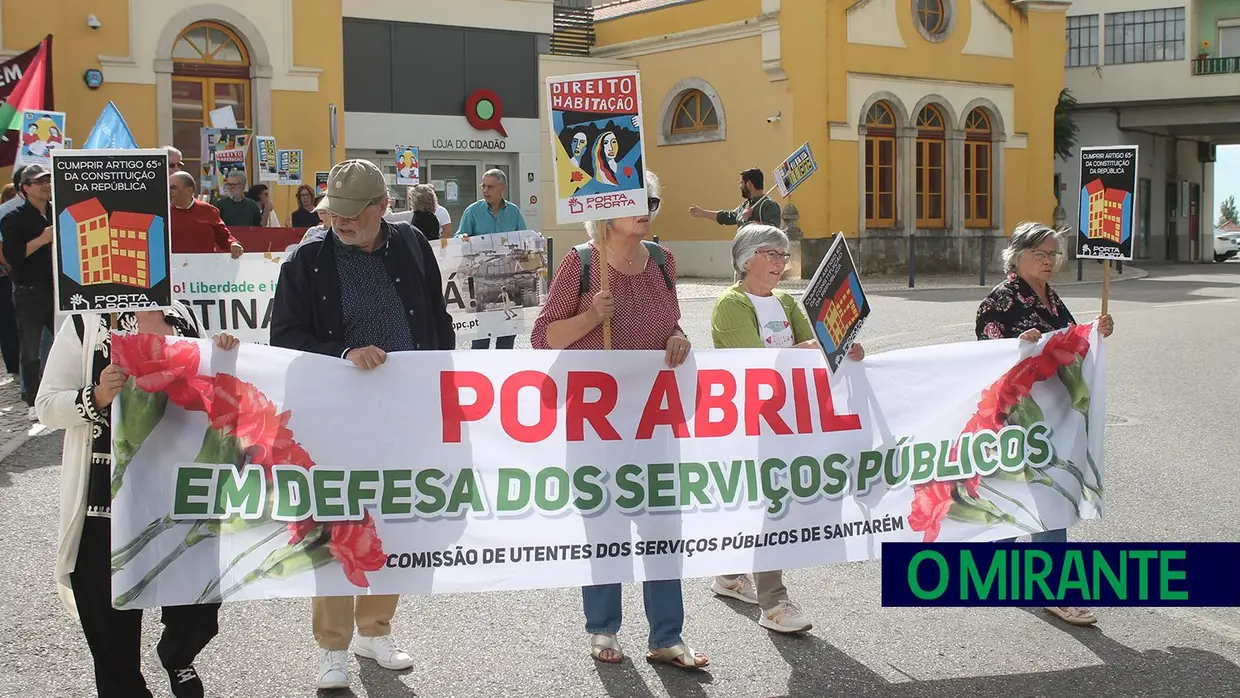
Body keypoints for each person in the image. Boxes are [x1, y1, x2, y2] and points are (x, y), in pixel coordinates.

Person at [270, 159, 454, 690]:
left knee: (391, 521)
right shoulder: (306, 261)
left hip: (404, 411)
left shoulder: (415, 247)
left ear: (383, 208)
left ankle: (375, 629)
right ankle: (332, 647)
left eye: (353, 214)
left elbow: (437, 321)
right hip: (336, 417)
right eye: (334, 213)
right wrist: (345, 351)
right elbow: (283, 338)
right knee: (339, 526)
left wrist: (443, 383)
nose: (341, 223)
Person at [531, 171, 708, 670]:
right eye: (637, 200)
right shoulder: (581, 264)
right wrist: (590, 318)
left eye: (652, 199)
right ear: (607, 209)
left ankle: (667, 635)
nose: (647, 207)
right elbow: (543, 338)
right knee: (604, 526)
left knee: (661, 526)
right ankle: (603, 629)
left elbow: (667, 320)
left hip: (652, 423)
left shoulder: (663, 261)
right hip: (597, 424)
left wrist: (677, 335)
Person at [37, 302, 239, 698]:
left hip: (174, 494)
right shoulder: (86, 323)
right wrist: (94, 395)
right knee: (109, 629)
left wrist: (222, 354)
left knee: (197, 609)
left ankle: (178, 655)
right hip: (103, 502)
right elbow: (46, 406)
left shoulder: (180, 314)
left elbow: (205, 389)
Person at [707, 224, 864, 632]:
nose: (780, 262)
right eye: (771, 254)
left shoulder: (785, 300)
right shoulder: (731, 303)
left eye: (783, 254)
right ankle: (773, 602)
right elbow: (755, 362)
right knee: (772, 503)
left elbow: (818, 342)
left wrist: (843, 345)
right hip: (750, 420)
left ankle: (728, 573)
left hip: (788, 419)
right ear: (745, 259)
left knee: (764, 500)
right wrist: (808, 349)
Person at [975, 221, 1115, 627]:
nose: (1050, 261)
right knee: (1040, 496)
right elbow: (988, 357)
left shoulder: (1050, 298)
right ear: (1017, 257)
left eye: (1054, 254)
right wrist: (1021, 346)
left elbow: (1069, 340)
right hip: (1021, 419)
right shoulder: (999, 301)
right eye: (1041, 253)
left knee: (1040, 495)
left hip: (1054, 417)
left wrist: (1095, 332)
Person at [1, 164, 56, 421]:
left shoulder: (58, 210)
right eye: (39, 181)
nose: (46, 185)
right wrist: (42, 239)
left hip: (58, 288)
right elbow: (13, 257)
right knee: (31, 349)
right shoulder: (13, 218)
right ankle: (32, 400)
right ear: (25, 188)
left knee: (68, 341)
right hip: (29, 291)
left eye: (48, 179)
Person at [457, 169, 526, 349]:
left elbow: (524, 239)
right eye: (483, 186)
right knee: (481, 338)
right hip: (483, 284)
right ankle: (479, 374)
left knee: (507, 335)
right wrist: (462, 237)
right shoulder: (472, 211)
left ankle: (502, 373)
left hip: (509, 282)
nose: (485, 190)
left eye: (490, 187)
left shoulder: (514, 212)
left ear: (502, 188)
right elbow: (458, 238)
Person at [169, 172, 244, 257]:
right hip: (174, 267)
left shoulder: (208, 211)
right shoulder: (163, 214)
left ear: (189, 190)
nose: (169, 192)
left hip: (205, 266)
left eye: (173, 188)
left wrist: (233, 244)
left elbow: (224, 237)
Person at [689, 168, 781, 229]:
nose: (740, 186)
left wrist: (749, 221)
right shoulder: (746, 205)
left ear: (749, 184)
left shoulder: (769, 205)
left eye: (741, 183)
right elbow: (729, 217)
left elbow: (773, 230)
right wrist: (703, 213)